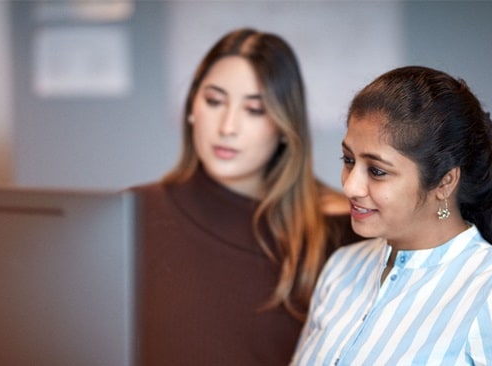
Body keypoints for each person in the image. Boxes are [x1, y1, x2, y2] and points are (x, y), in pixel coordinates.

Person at [291, 66, 492, 365]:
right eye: (348, 160)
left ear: (445, 182)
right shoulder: (342, 269)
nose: (350, 185)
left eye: (377, 171)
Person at [131, 28, 361, 365]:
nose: (228, 126)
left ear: (284, 126)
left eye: (254, 109)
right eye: (214, 101)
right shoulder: (129, 215)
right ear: (192, 108)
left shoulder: (343, 230)